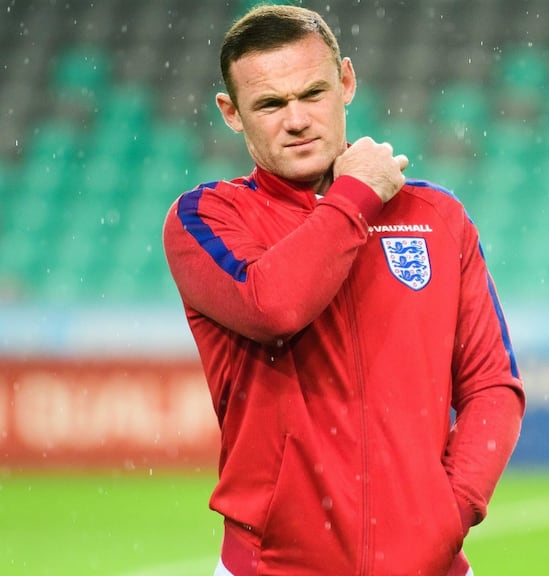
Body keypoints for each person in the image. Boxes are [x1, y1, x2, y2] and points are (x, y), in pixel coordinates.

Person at [162, 5, 526, 575]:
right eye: (271, 104)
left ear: (347, 81)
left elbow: (492, 386)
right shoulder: (206, 217)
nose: (298, 119)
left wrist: (447, 512)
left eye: (312, 93)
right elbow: (274, 305)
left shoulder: (436, 217)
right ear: (231, 113)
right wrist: (355, 195)